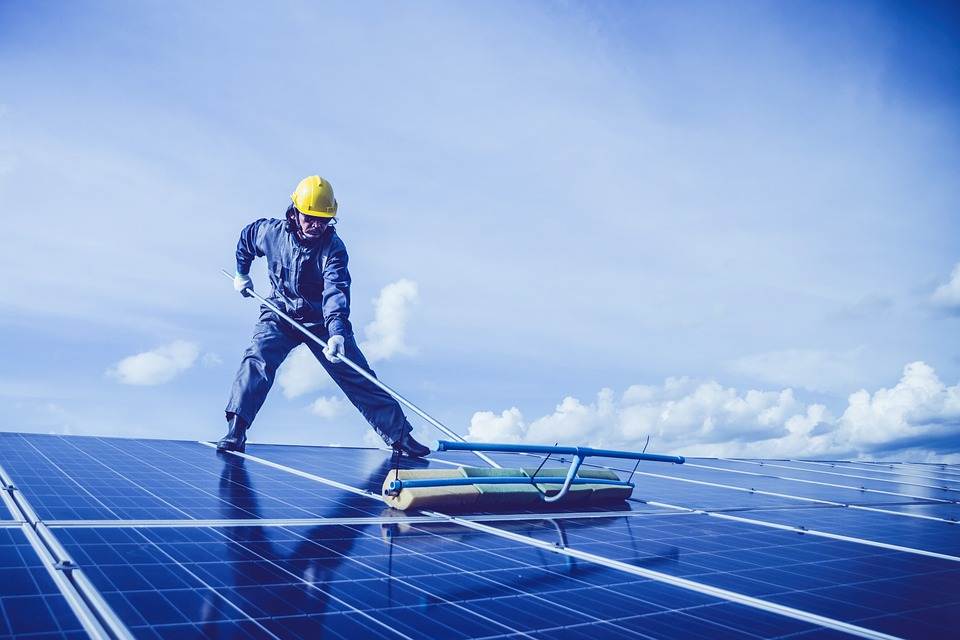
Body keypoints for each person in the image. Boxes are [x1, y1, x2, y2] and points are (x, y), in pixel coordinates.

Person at [218, 175, 430, 458]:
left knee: (357, 374)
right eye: (311, 218)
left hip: (322, 324)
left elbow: (335, 291)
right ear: (295, 213)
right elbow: (246, 239)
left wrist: (338, 333)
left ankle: (400, 436)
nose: (317, 225)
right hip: (279, 314)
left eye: (324, 219)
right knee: (258, 358)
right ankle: (236, 430)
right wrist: (242, 273)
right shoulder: (270, 233)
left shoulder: (334, 249)